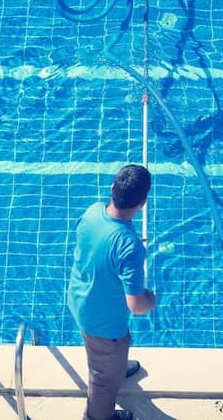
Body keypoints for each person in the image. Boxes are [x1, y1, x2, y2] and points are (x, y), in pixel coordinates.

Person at [67, 164, 156, 420]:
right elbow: (136, 305)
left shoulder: (93, 212)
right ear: (142, 202)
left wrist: (126, 245)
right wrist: (151, 298)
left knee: (102, 354)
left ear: (112, 189)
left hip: (80, 299)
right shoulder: (128, 247)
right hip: (104, 324)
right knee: (103, 382)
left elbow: (100, 243)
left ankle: (114, 367)